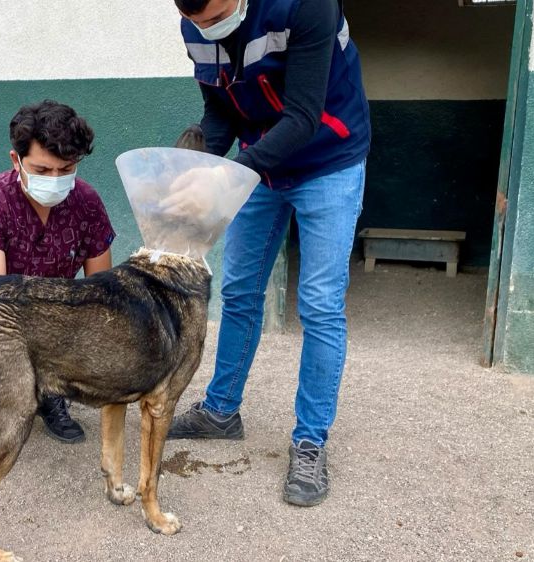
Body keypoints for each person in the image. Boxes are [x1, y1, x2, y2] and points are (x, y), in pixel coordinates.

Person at [165, 0, 371, 507]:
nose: (207, 28)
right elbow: (219, 109)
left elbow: (302, 117)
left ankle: (309, 441)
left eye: (215, 17)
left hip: (330, 157)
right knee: (237, 290)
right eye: (198, 23)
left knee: (319, 304)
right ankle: (221, 411)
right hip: (261, 162)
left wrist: (226, 176)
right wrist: (200, 166)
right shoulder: (195, 23)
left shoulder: (307, 6)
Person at [0, 99, 116, 443]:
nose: (55, 180)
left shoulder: (86, 203)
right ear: (17, 161)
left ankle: (49, 395)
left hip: (51, 317)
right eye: (42, 171)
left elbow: (101, 289)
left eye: (66, 168)